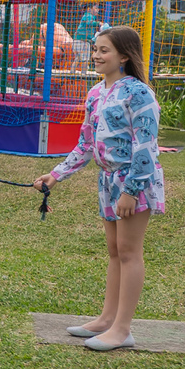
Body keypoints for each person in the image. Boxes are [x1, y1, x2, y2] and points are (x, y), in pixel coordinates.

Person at [34, 26, 165, 352]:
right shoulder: (95, 93)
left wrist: (131, 190)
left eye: (104, 50)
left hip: (133, 181)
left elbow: (146, 148)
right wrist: (55, 175)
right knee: (114, 251)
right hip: (108, 181)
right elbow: (86, 144)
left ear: (124, 55)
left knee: (129, 251)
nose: (96, 55)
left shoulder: (139, 93)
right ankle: (107, 319)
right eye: (95, 49)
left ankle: (122, 330)